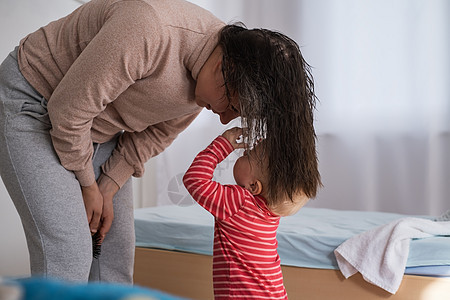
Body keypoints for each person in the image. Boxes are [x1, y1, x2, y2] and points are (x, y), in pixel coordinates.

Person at [0, 0, 321, 284]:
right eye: (233, 108)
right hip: (35, 103)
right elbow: (67, 111)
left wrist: (107, 187)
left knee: (115, 253)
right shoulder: (149, 29)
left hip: (94, 127)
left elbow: (153, 136)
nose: (224, 119)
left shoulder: (208, 80)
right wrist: (88, 185)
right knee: (69, 252)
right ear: (228, 67)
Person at [183, 127, 309, 299]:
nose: (246, 151)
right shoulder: (271, 215)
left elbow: (195, 179)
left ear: (253, 186)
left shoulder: (239, 202)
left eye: (248, 155)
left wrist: (223, 145)